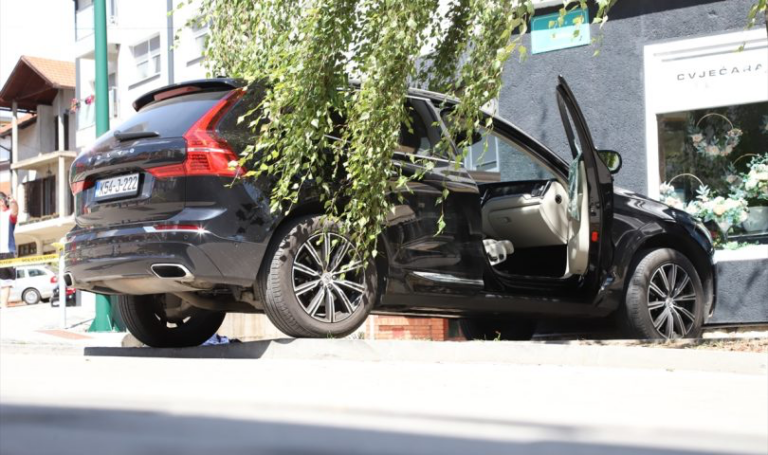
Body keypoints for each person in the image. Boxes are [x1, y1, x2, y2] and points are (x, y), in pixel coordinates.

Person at [0, 192, 18, 308]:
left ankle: (4, 306)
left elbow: (15, 211)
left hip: (7, 251)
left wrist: (13, 202)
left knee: (6, 282)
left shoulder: (8, 215)